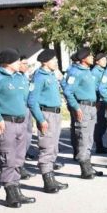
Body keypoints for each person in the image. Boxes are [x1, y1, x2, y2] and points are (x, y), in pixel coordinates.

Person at [0, 48, 36, 208]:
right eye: (18, 61)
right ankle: (10, 192)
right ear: (9, 63)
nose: (20, 64)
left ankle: (17, 189)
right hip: (6, 123)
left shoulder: (20, 78)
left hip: (21, 122)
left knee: (19, 157)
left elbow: (26, 98)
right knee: (8, 157)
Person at [27, 49, 69, 193]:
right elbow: (32, 101)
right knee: (46, 147)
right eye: (54, 60)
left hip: (55, 114)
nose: (56, 62)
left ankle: (51, 177)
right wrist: (40, 119)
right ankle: (47, 181)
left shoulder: (51, 75)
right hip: (46, 115)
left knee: (53, 147)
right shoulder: (39, 77)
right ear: (45, 62)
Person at [62, 48, 98, 180]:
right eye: (90, 56)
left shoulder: (87, 71)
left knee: (89, 137)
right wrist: (76, 107)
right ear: (84, 59)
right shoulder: (76, 72)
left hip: (91, 107)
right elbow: (68, 91)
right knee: (83, 136)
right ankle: (84, 167)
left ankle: (88, 164)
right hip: (83, 106)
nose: (92, 57)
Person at [18, 56, 35, 180]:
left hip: (28, 108)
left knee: (28, 135)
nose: (26, 66)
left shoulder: (25, 77)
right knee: (20, 139)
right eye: (24, 63)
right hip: (20, 109)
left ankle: (22, 162)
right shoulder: (15, 77)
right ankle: (19, 165)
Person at [92, 52, 107, 154]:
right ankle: (99, 145)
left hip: (103, 100)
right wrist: (97, 100)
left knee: (103, 124)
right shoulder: (95, 72)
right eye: (103, 60)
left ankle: (100, 144)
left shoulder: (103, 71)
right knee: (99, 124)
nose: (105, 61)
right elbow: (94, 88)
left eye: (105, 59)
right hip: (99, 101)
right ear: (97, 62)